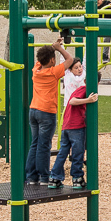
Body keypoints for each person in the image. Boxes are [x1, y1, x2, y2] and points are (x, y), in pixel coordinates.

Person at [26, 37, 77, 185]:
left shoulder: (36, 70)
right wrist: (59, 48)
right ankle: (43, 177)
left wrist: (52, 48)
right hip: (46, 112)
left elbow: (43, 58)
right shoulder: (53, 73)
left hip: (34, 110)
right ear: (52, 61)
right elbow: (70, 59)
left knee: (35, 143)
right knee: (44, 145)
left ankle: (31, 177)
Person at [51, 60, 98, 189]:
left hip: (67, 126)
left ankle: (55, 178)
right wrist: (88, 100)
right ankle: (77, 178)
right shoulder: (84, 90)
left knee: (63, 152)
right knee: (78, 153)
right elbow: (72, 101)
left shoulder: (80, 87)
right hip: (75, 127)